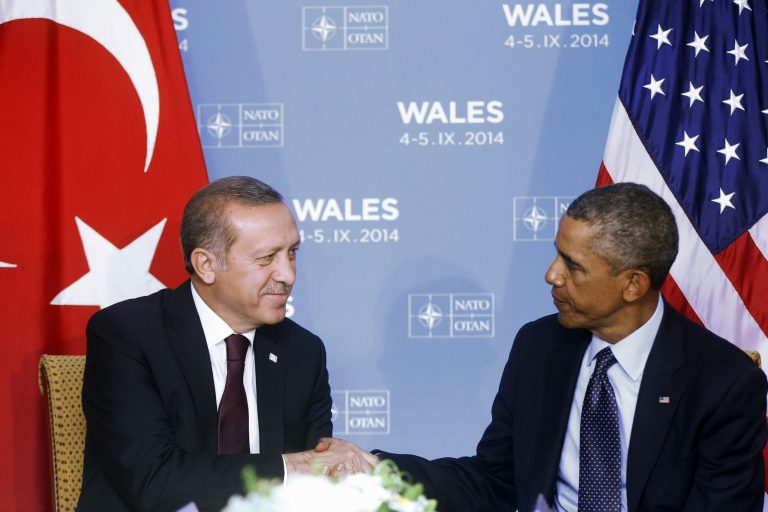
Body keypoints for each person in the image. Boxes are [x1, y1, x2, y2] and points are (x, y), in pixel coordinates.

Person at [380, 183, 767, 512]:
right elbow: (494, 480)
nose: (552, 275)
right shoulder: (540, 347)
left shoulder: (723, 383)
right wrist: (375, 469)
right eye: (556, 254)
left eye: (573, 266)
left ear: (633, 284)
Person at [78, 176, 378, 512]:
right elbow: (156, 484)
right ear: (206, 265)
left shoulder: (303, 351)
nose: (288, 275)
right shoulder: (127, 335)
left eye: (292, 253)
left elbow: (316, 488)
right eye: (267, 258)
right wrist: (295, 466)